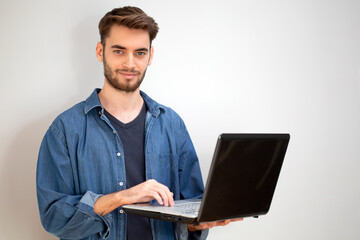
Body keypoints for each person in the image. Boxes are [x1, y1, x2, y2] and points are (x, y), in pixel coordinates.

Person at [36, 6, 237, 240]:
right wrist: (121, 197)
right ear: (100, 52)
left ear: (151, 55)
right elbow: (53, 218)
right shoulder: (65, 130)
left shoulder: (172, 125)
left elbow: (191, 211)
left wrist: (200, 222)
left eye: (140, 53)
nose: (130, 64)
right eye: (119, 51)